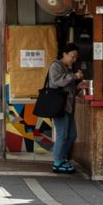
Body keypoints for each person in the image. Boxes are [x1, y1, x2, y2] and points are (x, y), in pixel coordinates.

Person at [44, 42, 83, 174]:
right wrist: (74, 77)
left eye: (76, 57)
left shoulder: (68, 68)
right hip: (59, 107)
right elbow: (57, 82)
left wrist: (77, 88)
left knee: (72, 135)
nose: (74, 59)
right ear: (64, 54)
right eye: (72, 56)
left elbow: (68, 89)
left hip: (68, 107)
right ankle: (57, 161)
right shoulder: (56, 65)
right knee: (63, 134)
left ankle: (62, 158)